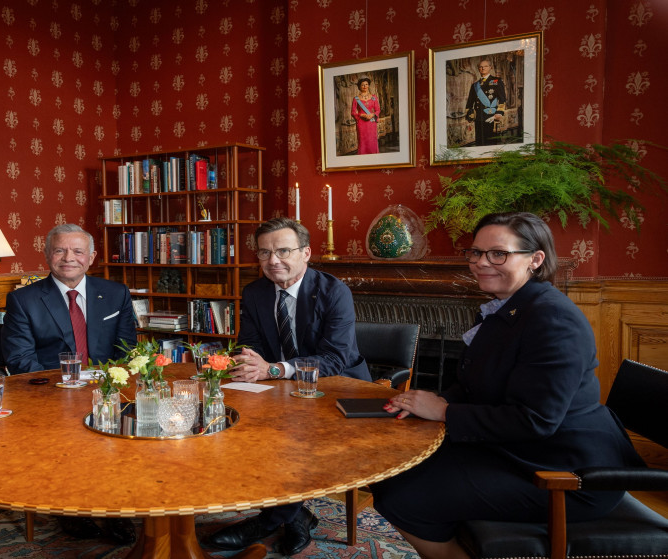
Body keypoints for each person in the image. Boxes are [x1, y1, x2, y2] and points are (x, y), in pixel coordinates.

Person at [371, 212, 644, 559]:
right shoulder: (507, 307)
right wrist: (426, 401)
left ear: (535, 259)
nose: (482, 262)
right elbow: (475, 385)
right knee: (392, 468)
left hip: (568, 473)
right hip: (519, 451)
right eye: (476, 252)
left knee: (403, 494)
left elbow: (536, 420)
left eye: (498, 253)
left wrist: (445, 412)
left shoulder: (554, 319)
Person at [207, 217, 370, 556]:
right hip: (279, 389)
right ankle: (296, 516)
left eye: (283, 251)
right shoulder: (255, 292)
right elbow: (249, 344)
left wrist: (274, 369)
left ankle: (268, 521)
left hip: (336, 388)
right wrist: (246, 361)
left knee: (293, 435)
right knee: (231, 423)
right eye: (264, 253)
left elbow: (335, 359)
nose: (273, 260)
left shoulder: (333, 291)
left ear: (305, 253)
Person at [0, 223, 137, 543]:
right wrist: (63, 390)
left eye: (77, 251)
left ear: (92, 257)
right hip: (51, 395)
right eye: (60, 250)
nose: (68, 258)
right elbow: (20, 360)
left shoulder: (116, 293)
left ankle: (118, 508)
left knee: (131, 432)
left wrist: (107, 387)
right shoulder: (23, 300)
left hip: (108, 391)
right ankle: (72, 509)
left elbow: (126, 350)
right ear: (47, 255)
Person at [464, 59, 507, 146]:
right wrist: (469, 114)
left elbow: (502, 99)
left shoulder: (496, 81)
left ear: (490, 67)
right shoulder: (475, 85)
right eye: (481, 67)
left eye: (485, 66)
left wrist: (499, 112)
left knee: (490, 142)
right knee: (480, 142)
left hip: (491, 116)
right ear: (478, 69)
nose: (483, 68)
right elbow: (470, 102)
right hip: (478, 117)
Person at [350, 77, 380, 154]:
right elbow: (353, 112)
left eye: (366, 84)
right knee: (362, 142)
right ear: (359, 86)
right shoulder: (356, 99)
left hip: (371, 122)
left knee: (372, 141)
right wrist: (362, 115)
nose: (365, 86)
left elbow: (377, 110)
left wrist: (373, 114)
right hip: (361, 123)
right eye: (363, 85)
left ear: (368, 85)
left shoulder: (373, 97)